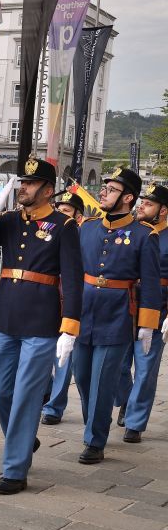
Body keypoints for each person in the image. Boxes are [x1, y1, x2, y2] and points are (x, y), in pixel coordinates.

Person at [0, 158, 83, 494]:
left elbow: (72, 279)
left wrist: (69, 327)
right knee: (1, 391)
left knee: (27, 396)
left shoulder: (64, 226)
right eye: (22, 183)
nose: (23, 188)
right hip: (4, 314)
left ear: (47, 190)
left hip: (41, 320)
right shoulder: (10, 220)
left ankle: (15, 469)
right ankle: (24, 437)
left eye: (30, 184)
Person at [73, 167, 161, 464]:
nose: (103, 192)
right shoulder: (87, 227)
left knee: (102, 380)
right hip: (84, 312)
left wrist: (148, 326)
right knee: (82, 377)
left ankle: (94, 440)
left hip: (118, 315)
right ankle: (94, 424)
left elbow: (150, 283)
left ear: (128, 197)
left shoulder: (143, 235)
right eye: (105, 187)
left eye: (110, 189)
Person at [110, 184, 168, 442]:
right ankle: (126, 400)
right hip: (126, 306)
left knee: (145, 369)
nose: (142, 206)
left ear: (163, 210)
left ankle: (135, 422)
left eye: (149, 203)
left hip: (157, 309)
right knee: (119, 366)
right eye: (142, 201)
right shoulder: (132, 231)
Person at [40, 190, 87, 426]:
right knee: (43, 353)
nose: (60, 213)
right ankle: (46, 394)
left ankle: (54, 407)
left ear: (78, 217)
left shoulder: (83, 237)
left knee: (64, 357)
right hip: (46, 301)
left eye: (66, 210)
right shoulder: (47, 232)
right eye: (58, 209)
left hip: (70, 304)